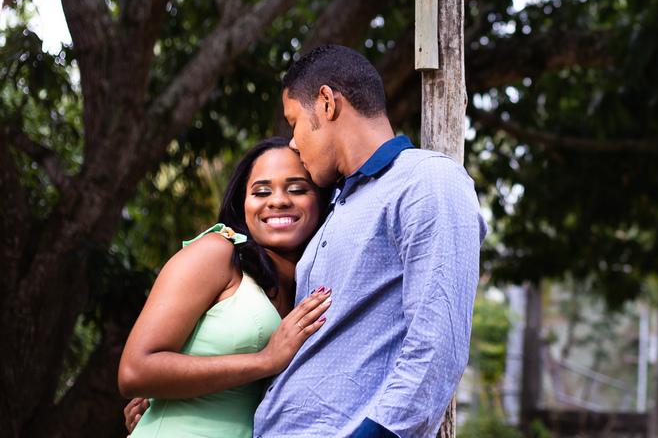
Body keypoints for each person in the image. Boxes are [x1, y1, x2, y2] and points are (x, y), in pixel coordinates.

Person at [253, 44, 486, 438]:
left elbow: (436, 348)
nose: (292, 142)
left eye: (294, 122)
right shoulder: (337, 203)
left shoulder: (426, 181)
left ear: (327, 103)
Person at [119, 137, 332, 437]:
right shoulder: (218, 254)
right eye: (261, 191)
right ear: (241, 204)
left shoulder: (316, 283)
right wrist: (265, 360)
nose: (278, 201)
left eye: (296, 189)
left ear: (322, 201)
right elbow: (134, 372)